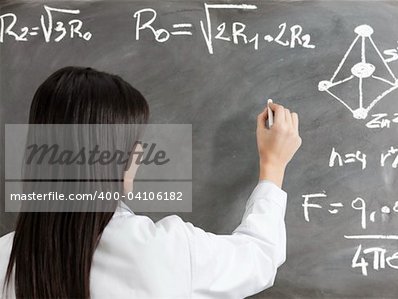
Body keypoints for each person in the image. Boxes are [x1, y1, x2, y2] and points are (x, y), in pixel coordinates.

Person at [0, 66, 301, 299]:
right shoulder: (163, 251)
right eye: (134, 142)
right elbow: (259, 255)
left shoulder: (5, 258)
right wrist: (272, 166)